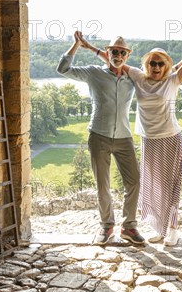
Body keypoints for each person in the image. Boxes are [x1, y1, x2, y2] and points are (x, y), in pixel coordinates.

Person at [120, 25, 182, 246]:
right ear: (146, 64)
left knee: (171, 187)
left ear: (167, 66)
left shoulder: (172, 81)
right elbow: (114, 60)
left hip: (170, 139)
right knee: (152, 186)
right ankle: (160, 229)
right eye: (152, 63)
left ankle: (173, 229)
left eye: (160, 63)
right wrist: (88, 47)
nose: (156, 66)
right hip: (149, 141)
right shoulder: (138, 77)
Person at [56, 32, 145, 246]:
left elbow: (156, 80)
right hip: (99, 136)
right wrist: (77, 45)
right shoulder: (94, 73)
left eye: (122, 52)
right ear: (109, 52)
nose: (118, 54)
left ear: (127, 55)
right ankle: (107, 226)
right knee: (102, 185)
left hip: (124, 138)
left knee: (134, 182)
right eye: (114, 51)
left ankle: (129, 227)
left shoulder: (132, 78)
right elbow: (63, 69)